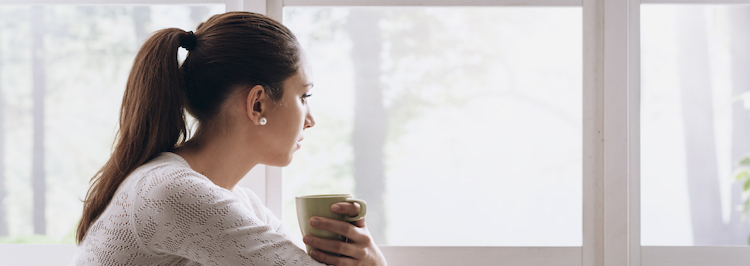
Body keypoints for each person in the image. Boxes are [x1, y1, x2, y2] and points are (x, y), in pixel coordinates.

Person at [72, 11, 387, 266]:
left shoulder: (242, 204)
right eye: (304, 96)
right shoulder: (173, 191)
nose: (310, 119)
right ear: (257, 104)